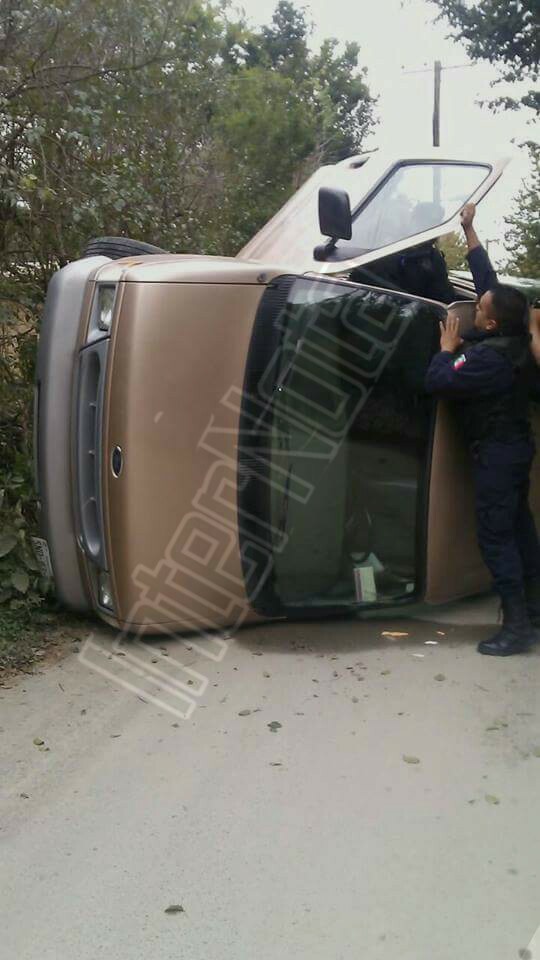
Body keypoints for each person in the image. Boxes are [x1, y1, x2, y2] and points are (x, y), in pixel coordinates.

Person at [425, 203, 540, 656]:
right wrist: (470, 232)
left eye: (477, 307)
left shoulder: (486, 359)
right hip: (514, 451)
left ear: (489, 322)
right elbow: (491, 285)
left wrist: (445, 348)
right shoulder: (514, 339)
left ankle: (515, 628)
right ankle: (533, 612)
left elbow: (438, 381)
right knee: (520, 530)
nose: (474, 303)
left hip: (496, 455)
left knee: (497, 537)